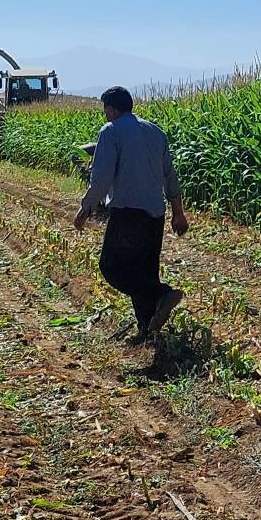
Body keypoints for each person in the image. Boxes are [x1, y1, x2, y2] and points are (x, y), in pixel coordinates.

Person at [74, 86, 189, 344]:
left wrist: (86, 207)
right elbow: (170, 177)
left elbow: (101, 177)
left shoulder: (111, 131)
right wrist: (178, 213)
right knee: (144, 271)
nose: (105, 115)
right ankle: (147, 329)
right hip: (155, 214)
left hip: (128, 213)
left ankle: (162, 295)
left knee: (112, 267)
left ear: (112, 109)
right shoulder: (155, 132)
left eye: (106, 110)